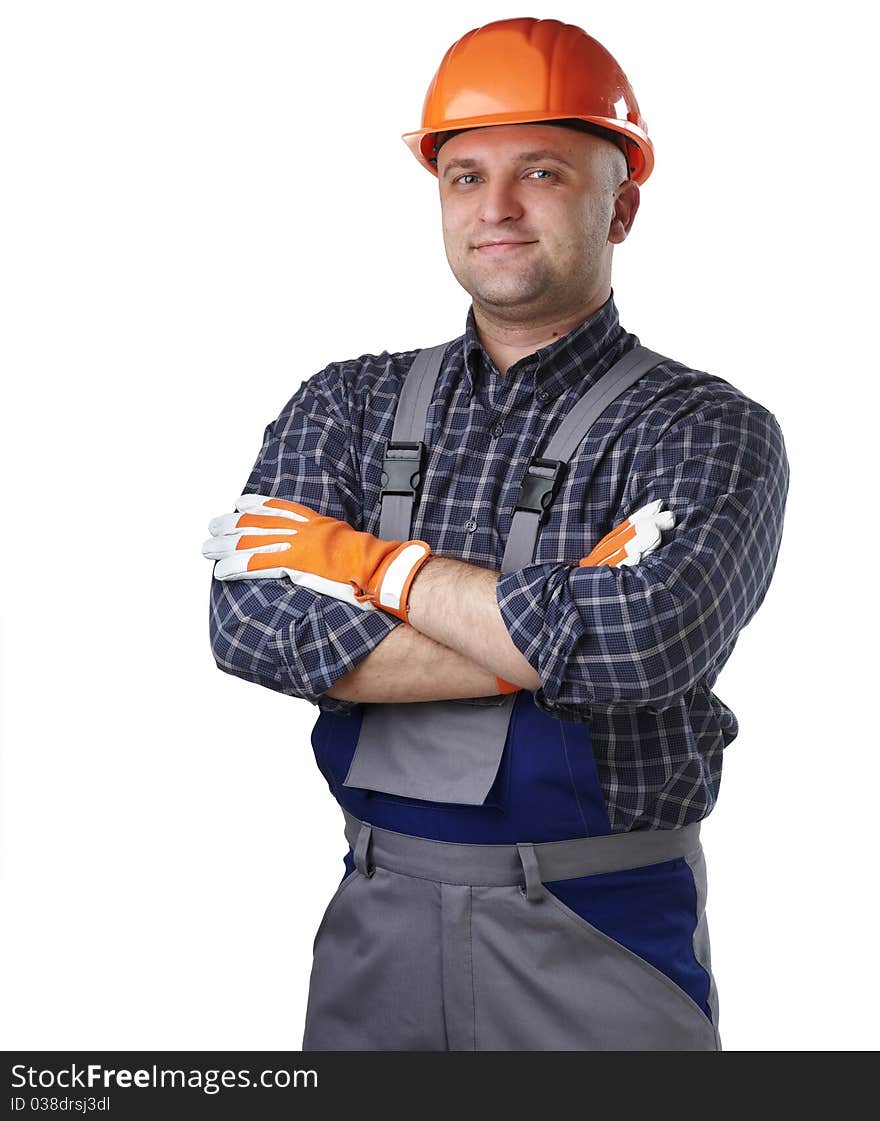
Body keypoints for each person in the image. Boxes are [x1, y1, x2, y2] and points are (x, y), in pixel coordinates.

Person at [202, 17, 790, 1051]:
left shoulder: (707, 428)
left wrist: (362, 565)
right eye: (464, 175)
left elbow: (644, 644)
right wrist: (554, 617)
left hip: (598, 931)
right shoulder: (345, 402)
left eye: (542, 171)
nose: (497, 208)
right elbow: (251, 628)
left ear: (624, 205)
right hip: (372, 922)